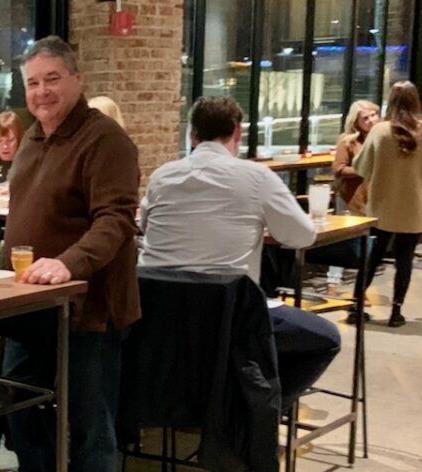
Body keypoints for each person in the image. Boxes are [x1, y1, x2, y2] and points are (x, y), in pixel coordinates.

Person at [0, 36, 141, 472]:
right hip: (29, 303)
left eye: (52, 79)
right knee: (20, 410)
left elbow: (116, 218)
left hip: (89, 307)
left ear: (78, 79)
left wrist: (67, 263)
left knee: (89, 425)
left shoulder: (105, 138)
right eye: (33, 83)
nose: (42, 92)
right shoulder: (33, 137)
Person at [139, 95, 340, 409]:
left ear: (192, 136)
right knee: (326, 338)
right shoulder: (257, 177)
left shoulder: (162, 176)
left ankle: (219, 409)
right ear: (238, 132)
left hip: (161, 323)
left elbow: (146, 227)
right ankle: (255, 415)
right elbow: (301, 235)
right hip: (230, 321)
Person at [356, 81, 422, 327]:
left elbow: (361, 167)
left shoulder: (379, 131)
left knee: (373, 257)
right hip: (416, 207)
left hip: (382, 208)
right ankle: (396, 313)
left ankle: (355, 307)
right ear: (416, 101)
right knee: (405, 259)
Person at [334, 100, 381, 215]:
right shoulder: (348, 141)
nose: (371, 120)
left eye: (373, 115)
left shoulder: (383, 138)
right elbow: (339, 170)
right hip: (354, 200)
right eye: (365, 118)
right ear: (356, 123)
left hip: (379, 199)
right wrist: (363, 169)